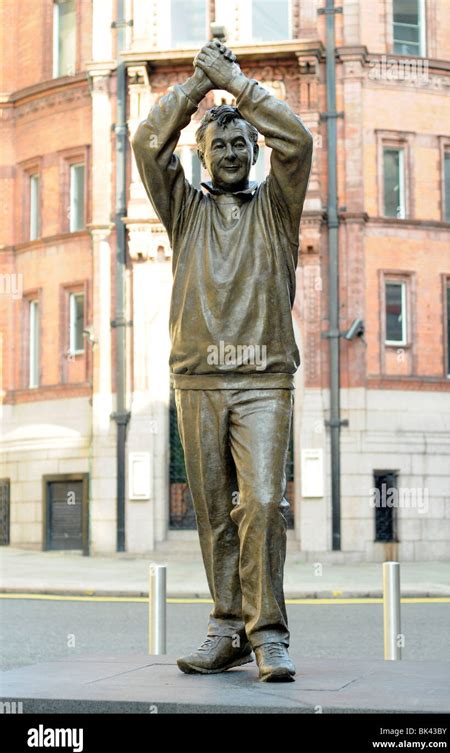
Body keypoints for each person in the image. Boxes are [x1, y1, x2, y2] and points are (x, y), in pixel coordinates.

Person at [132, 40, 313, 682]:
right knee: (212, 509)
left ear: (254, 154)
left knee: (262, 501)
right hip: (199, 378)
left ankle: (269, 636)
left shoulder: (277, 208)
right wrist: (194, 88)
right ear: (203, 157)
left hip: (264, 377)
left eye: (242, 146)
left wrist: (234, 84)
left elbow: (296, 139)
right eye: (221, 147)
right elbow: (148, 142)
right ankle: (226, 627)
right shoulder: (185, 211)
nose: (233, 154)